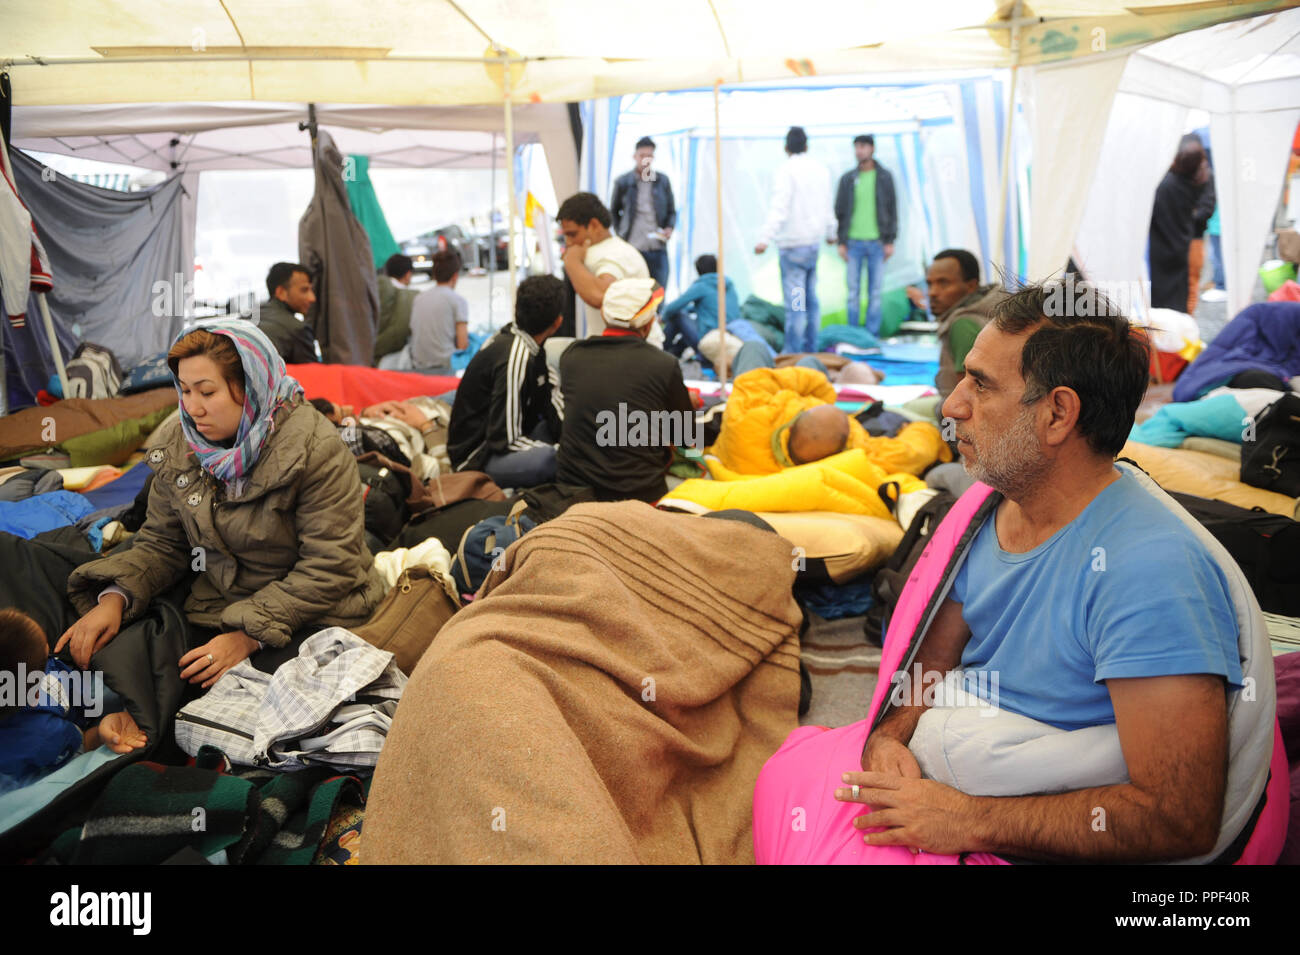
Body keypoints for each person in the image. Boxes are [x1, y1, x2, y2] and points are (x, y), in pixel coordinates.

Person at [831, 282, 1244, 862]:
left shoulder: (1152, 573)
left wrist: (969, 820)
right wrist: (888, 737)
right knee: (783, 777)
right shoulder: (988, 512)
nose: (952, 406)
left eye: (981, 384)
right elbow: (928, 667)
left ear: (1057, 414)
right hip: (944, 786)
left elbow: (1179, 819)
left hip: (1008, 826)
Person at [59, 320, 386, 689]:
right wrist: (115, 598)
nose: (192, 408)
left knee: (267, 692)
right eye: (183, 390)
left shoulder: (316, 450)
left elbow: (329, 567)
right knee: (126, 665)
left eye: (207, 392)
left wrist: (248, 635)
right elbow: (164, 542)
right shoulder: (179, 443)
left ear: (251, 387)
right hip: (220, 604)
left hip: (313, 611)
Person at [557, 278, 695, 503]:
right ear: (648, 324)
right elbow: (683, 436)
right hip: (641, 494)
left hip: (574, 492)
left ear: (604, 315)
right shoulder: (664, 364)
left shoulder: (571, 356)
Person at [710, 364, 950, 477]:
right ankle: (859, 373)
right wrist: (917, 429)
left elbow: (751, 381)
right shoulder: (859, 457)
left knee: (807, 362)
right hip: (880, 423)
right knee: (928, 415)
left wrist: (823, 396)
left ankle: (851, 371)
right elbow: (914, 450)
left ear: (793, 424)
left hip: (832, 413)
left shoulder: (748, 416)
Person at [1, 608, 146, 793]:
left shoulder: (20, 678)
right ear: (36, 694)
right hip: (82, 710)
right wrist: (103, 734)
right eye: (45, 652)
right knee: (127, 682)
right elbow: (83, 742)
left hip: (70, 686)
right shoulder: (45, 735)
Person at [448, 275, 566, 488]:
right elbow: (504, 439)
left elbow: (553, 405)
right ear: (558, 322)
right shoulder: (515, 355)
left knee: (557, 435)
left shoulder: (524, 343)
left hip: (503, 439)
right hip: (477, 457)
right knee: (552, 459)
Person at [755, 127, 836, 356]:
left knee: (797, 305)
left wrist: (764, 239)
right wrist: (831, 234)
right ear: (807, 146)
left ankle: (793, 352)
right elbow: (827, 207)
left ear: (786, 147)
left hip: (792, 250)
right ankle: (811, 349)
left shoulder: (786, 171)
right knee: (811, 301)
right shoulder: (821, 171)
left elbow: (779, 208)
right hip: (812, 246)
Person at [558, 192, 652, 338]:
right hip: (627, 348)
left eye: (573, 234)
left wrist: (572, 262)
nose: (569, 242)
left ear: (594, 225)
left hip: (624, 352)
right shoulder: (619, 248)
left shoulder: (605, 254)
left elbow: (602, 295)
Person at [926, 248, 1009, 407]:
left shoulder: (963, 324)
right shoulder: (990, 312)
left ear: (971, 286)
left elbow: (967, 399)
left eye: (943, 283)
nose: (932, 293)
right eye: (929, 284)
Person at [834, 134, 898, 335]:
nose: (858, 151)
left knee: (875, 293)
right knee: (852, 293)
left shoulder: (885, 177)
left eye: (862, 146)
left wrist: (890, 240)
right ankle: (854, 335)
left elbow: (892, 209)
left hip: (877, 243)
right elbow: (839, 211)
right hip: (853, 243)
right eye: (856, 147)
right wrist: (841, 242)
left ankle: (872, 336)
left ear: (872, 148)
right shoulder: (848, 179)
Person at [1148, 137, 1209, 312]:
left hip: (1163, 249)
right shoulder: (1190, 182)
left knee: (1164, 301)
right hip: (1179, 246)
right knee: (1178, 297)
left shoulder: (1167, 184)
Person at [609, 136, 677, 288]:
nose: (646, 160)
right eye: (642, 156)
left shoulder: (662, 181)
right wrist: (620, 233)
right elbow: (613, 211)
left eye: (649, 156)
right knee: (634, 292)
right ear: (635, 157)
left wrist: (669, 228)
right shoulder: (623, 182)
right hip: (633, 247)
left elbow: (672, 211)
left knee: (658, 293)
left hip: (657, 247)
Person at [660, 255, 740, 359]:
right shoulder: (728, 283)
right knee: (693, 322)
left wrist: (662, 317)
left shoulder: (702, 285)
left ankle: (660, 348)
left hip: (709, 340)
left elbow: (672, 308)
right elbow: (710, 307)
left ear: (698, 270)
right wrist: (688, 310)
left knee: (677, 315)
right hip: (731, 338)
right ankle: (675, 352)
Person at [409, 250, 470, 377]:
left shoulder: (419, 298)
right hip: (445, 367)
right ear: (455, 276)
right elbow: (463, 344)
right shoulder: (458, 301)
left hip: (418, 366)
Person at [258, 262, 321, 364]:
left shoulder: (246, 317)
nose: (312, 298)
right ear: (281, 293)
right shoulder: (298, 329)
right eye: (304, 290)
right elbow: (312, 375)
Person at [373, 253, 419, 365]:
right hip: (397, 362)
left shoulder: (372, 291)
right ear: (408, 275)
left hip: (368, 358)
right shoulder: (414, 297)